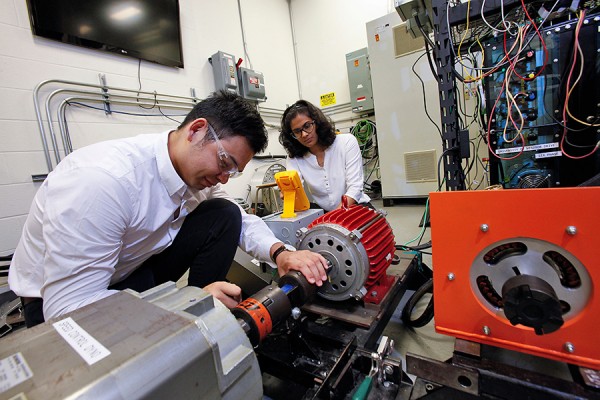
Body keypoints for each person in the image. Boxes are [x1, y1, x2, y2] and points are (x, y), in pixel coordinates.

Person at [9, 90, 328, 328]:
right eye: (224, 163)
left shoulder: (197, 174)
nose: (223, 176)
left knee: (224, 214)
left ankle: (210, 317)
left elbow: (241, 219)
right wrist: (185, 304)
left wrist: (280, 253)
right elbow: (68, 307)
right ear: (196, 130)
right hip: (60, 306)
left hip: (128, 271)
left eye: (232, 171)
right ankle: (198, 313)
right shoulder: (102, 182)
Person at [279, 100, 370, 212]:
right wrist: (289, 195)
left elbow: (355, 188)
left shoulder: (346, 142)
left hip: (356, 207)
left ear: (317, 122)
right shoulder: (295, 158)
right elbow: (295, 191)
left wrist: (334, 217)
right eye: (297, 131)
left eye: (307, 126)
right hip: (325, 213)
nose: (304, 134)